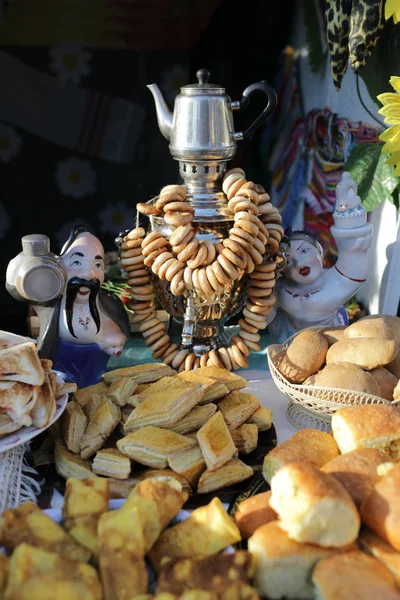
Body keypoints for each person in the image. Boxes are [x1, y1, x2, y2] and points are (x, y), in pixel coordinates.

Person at [9, 226, 130, 388]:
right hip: (60, 367)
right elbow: (17, 289)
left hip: (96, 367)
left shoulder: (108, 302)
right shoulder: (50, 300)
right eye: (77, 262)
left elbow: (118, 327)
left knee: (96, 387)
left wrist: (112, 338)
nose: (88, 274)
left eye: (97, 265)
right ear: (61, 267)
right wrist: (26, 264)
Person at [267, 173, 373, 344]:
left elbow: (354, 262)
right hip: (289, 345)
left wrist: (349, 220)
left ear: (319, 252)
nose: (299, 263)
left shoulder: (336, 280)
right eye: (288, 261)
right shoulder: (280, 289)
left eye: (304, 251)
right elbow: (264, 310)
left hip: (331, 345)